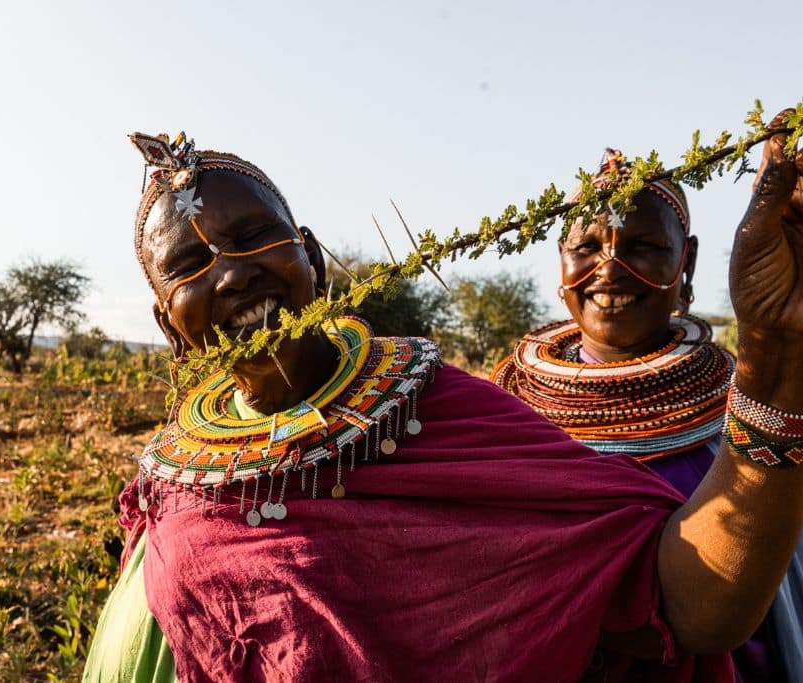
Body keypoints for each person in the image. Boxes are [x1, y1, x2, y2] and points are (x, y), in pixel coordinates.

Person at [84, 117, 803, 682]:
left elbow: (686, 601)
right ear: (164, 322)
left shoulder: (449, 418)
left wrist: (771, 361)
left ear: (313, 258)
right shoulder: (174, 475)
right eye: (189, 264)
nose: (233, 275)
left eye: (253, 239)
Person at [490, 147, 803, 680]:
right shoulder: (502, 416)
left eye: (646, 245)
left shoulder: (751, 401)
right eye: (586, 245)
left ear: (689, 261)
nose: (609, 268)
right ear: (559, 264)